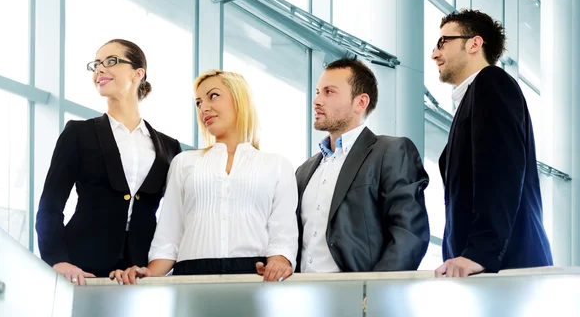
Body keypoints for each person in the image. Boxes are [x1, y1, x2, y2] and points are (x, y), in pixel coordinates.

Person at [111, 70, 298, 284]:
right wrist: (150, 273)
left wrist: (279, 262)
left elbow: (283, 234)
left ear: (240, 99)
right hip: (190, 273)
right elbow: (169, 234)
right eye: (198, 103)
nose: (204, 108)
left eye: (213, 96)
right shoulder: (184, 163)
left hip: (255, 274)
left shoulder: (277, 165)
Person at [35, 39, 182, 285]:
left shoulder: (169, 147)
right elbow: (50, 204)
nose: (100, 70)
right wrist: (57, 260)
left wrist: (156, 266)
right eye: (96, 65)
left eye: (111, 61)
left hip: (139, 270)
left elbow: (175, 217)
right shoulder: (78, 133)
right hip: (81, 267)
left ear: (138, 74)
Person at [431, 9, 553, 278]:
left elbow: (501, 172)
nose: (434, 54)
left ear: (474, 43)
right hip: (484, 272)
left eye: (443, 42)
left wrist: (478, 253)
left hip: (504, 271)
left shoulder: (491, 82)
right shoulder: (470, 100)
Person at [296, 58, 430, 273]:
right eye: (317, 91)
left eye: (329, 92)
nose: (317, 100)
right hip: (302, 297)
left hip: (360, 298)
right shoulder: (304, 171)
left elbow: (409, 234)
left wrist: (372, 294)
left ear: (361, 102)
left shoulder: (390, 152)